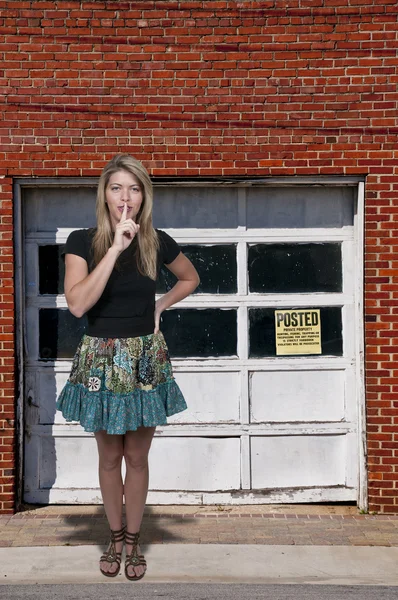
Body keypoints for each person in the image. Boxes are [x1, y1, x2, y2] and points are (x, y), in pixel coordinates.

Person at [56, 154, 200, 581]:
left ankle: (134, 542)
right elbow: (79, 303)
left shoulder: (157, 241)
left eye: (134, 189)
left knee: (137, 458)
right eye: (117, 187)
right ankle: (114, 538)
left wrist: (160, 304)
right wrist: (116, 246)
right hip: (101, 356)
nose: (126, 197)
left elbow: (190, 279)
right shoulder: (81, 241)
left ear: (144, 196)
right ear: (104, 193)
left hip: (143, 358)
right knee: (108, 457)